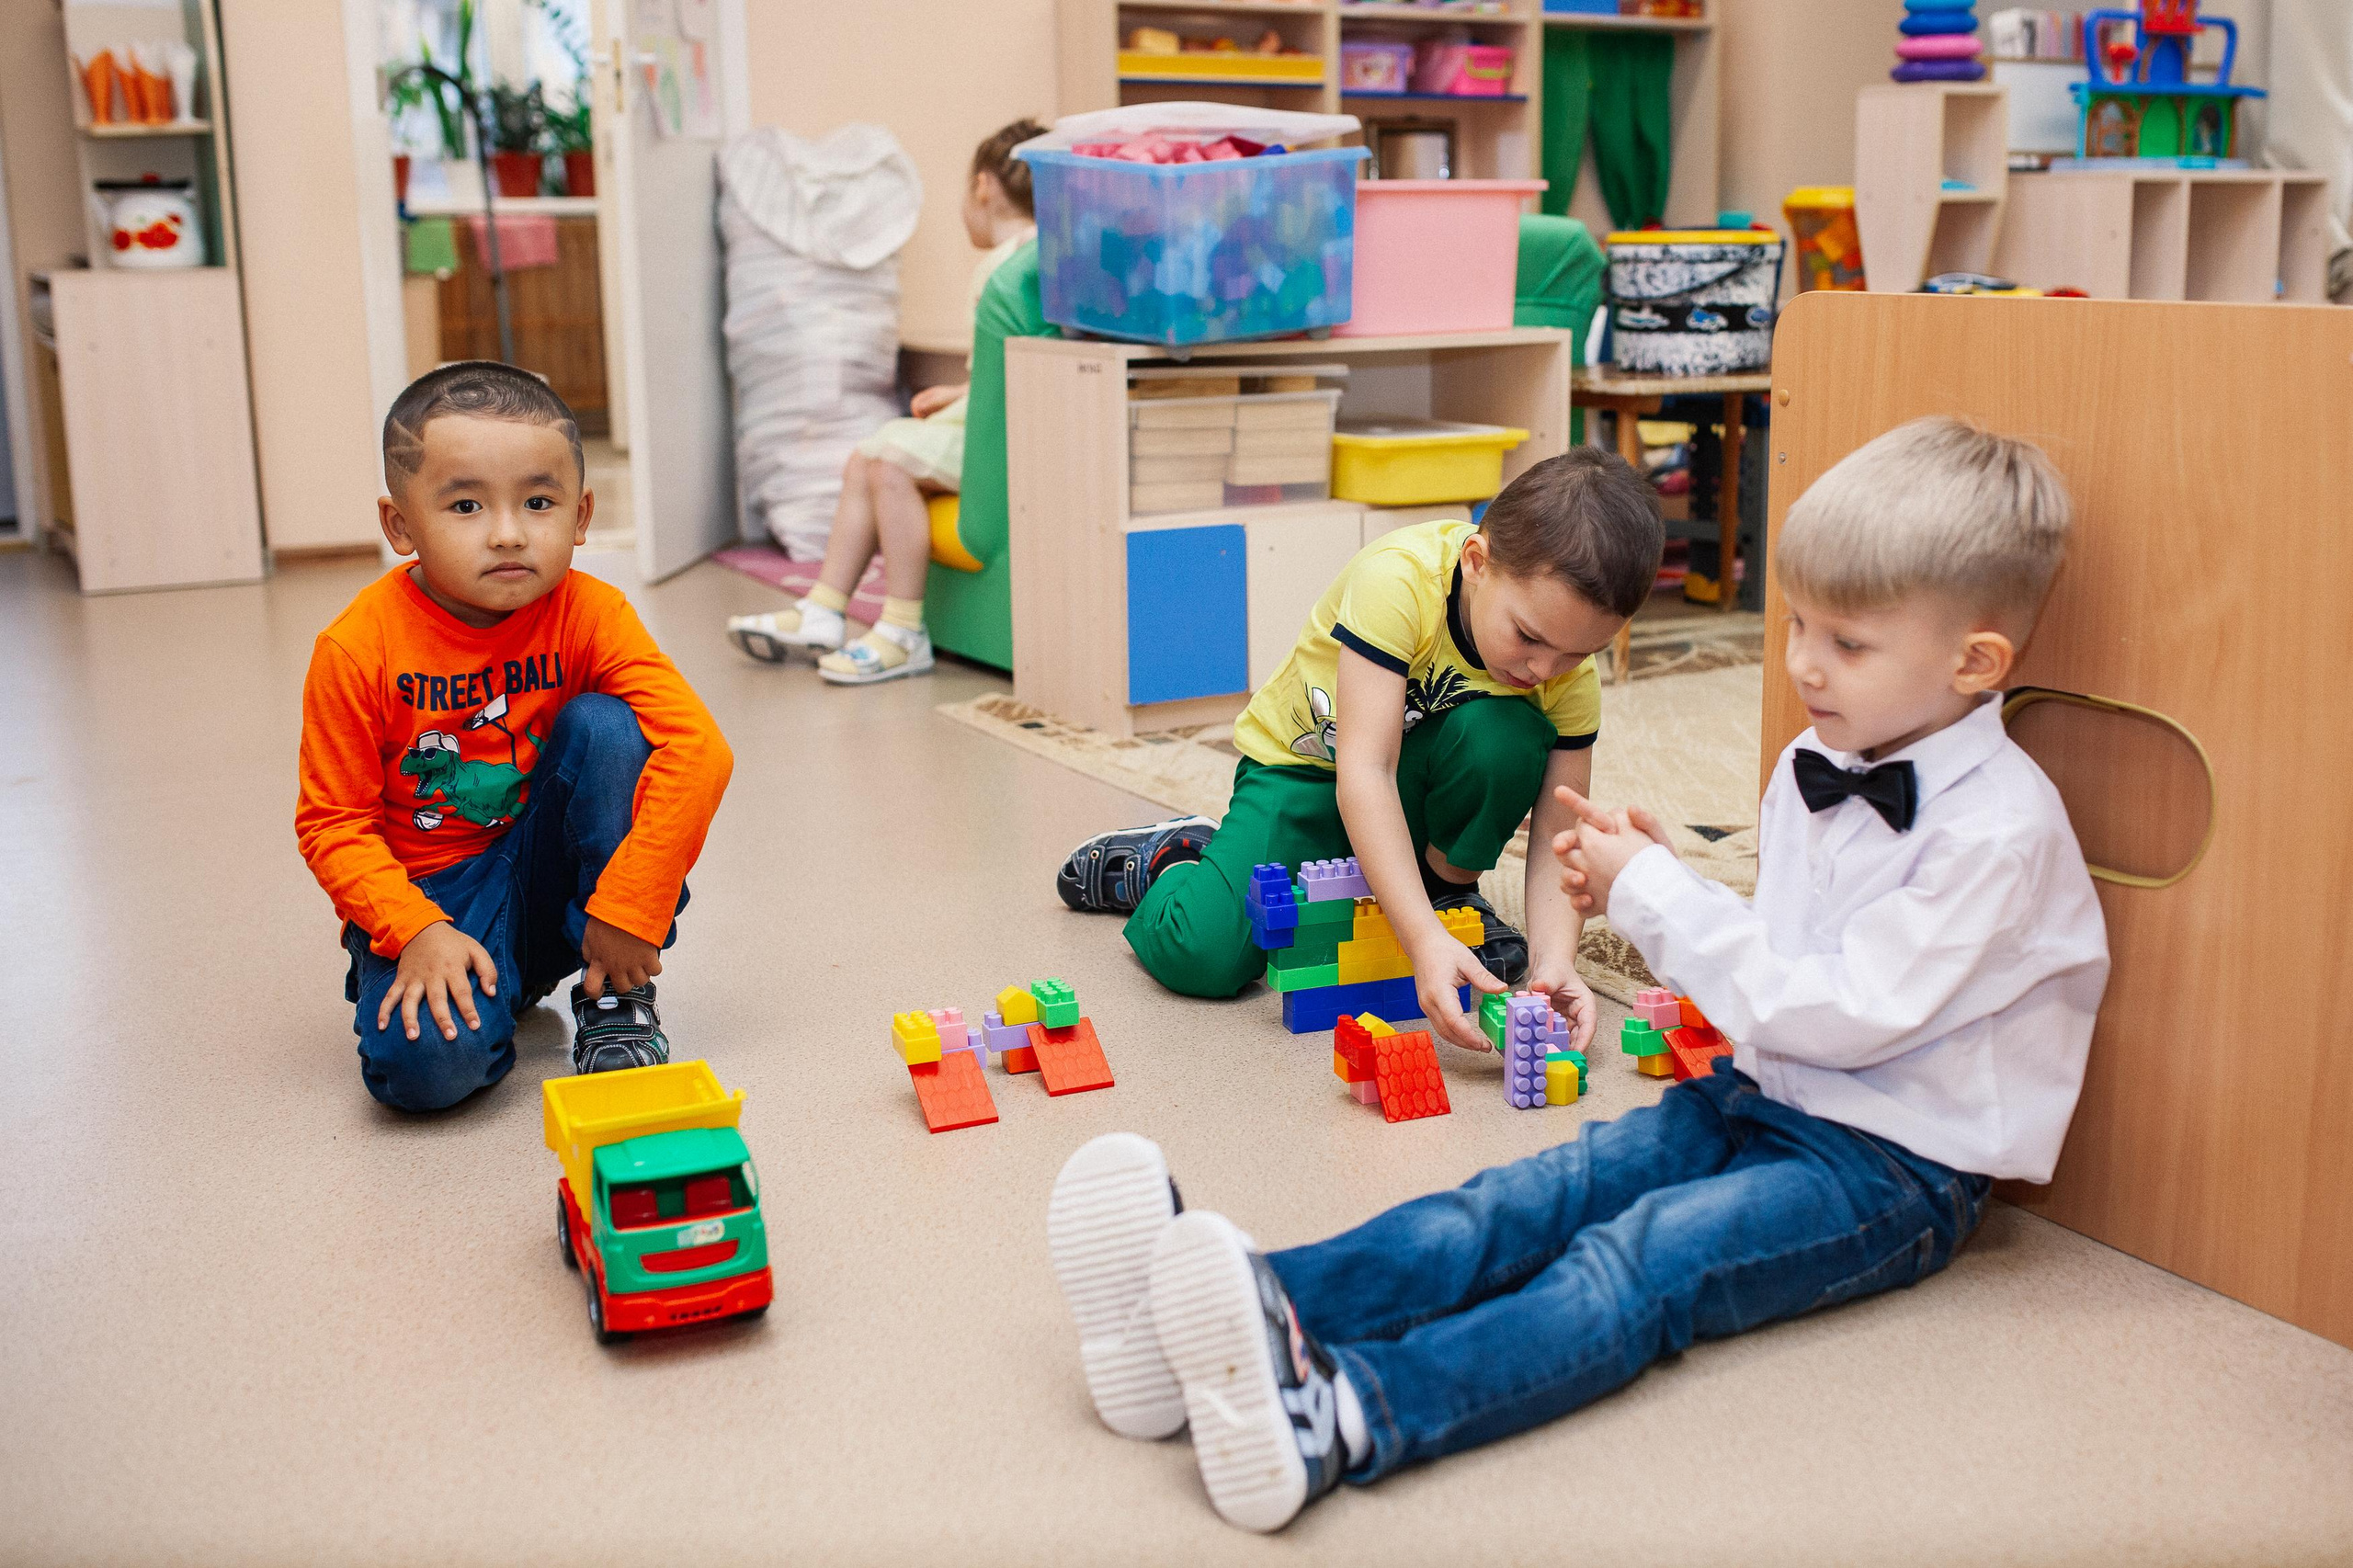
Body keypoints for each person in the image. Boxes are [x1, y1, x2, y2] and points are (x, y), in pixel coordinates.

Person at [1041, 417, 2109, 1532]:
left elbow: (1838, 1009)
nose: (1798, 663)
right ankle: (1237, 1311)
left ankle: (1347, 1411)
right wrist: (1676, 875)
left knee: (1633, 1262)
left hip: (1894, 1167)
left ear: (1973, 662)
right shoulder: (1815, 762)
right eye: (1796, 623)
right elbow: (1803, 951)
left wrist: (1655, 893)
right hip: (1769, 1093)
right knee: (1522, 1196)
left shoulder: (1998, 832)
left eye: (1845, 643)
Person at [1056, 449, 1665, 1056]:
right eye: (1529, 637)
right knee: (1207, 956)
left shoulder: (1561, 669)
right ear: (1477, 563)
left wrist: (1555, 961)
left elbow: (1561, 831)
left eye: (1576, 654)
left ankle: (1444, 891)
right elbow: (1364, 773)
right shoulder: (1399, 581)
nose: (1545, 668)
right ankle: (1174, 860)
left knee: (1506, 738)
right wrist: (1424, 944)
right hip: (1309, 773)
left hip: (1412, 783)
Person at [297, 362, 733, 1111]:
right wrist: (414, 931)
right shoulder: (355, 648)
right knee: (427, 1076)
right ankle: (487, 978)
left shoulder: (591, 611)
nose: (507, 534)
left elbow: (698, 748)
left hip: (549, 867)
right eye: (465, 505)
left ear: (582, 514)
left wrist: (631, 907)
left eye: (538, 502)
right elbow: (331, 824)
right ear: (400, 526)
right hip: (434, 894)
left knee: (610, 727)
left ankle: (610, 998)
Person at [726, 118, 1046, 685]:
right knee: (866, 456)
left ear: (982, 187)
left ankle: (902, 628)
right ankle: (824, 609)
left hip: (1000, 439)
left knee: (887, 459)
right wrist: (958, 393)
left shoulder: (1003, 269)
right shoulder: (1032, 258)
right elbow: (1014, 371)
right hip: (1003, 421)